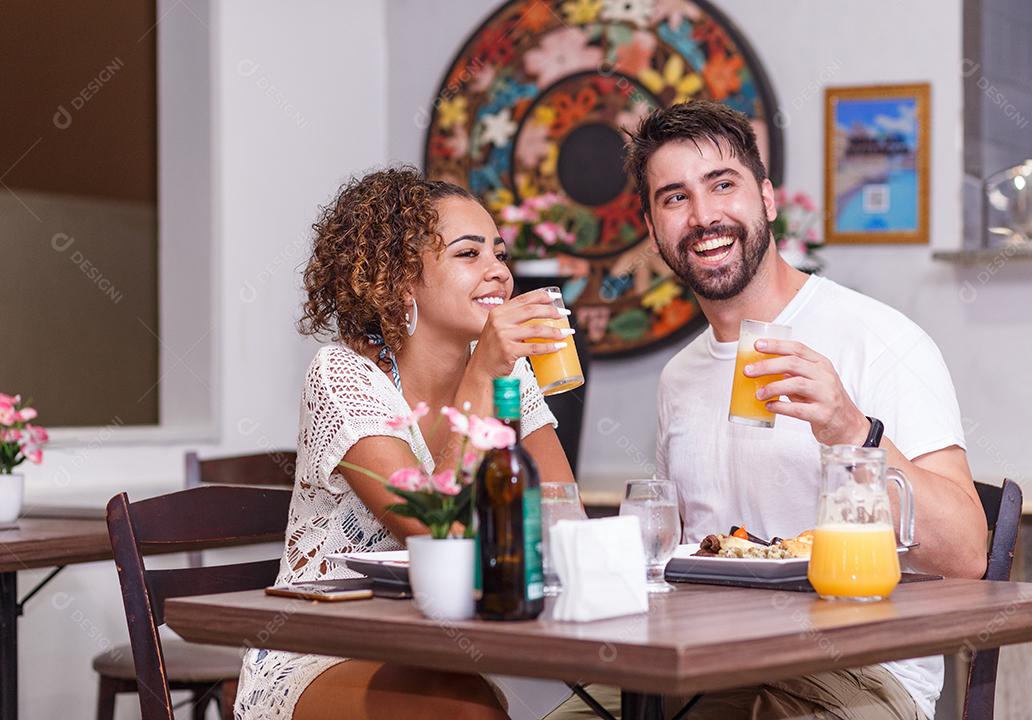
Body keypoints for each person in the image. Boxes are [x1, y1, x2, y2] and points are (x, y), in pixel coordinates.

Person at [551, 101, 987, 720]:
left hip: (855, 669)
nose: (704, 217)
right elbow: (681, 552)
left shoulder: (878, 339)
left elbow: (968, 554)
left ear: (766, 199)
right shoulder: (680, 377)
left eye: (721, 185)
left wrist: (851, 430)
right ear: (651, 229)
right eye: (675, 198)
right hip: (704, 660)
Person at [235, 167, 576, 719]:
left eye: (500, 254)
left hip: (469, 636)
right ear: (398, 282)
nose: (499, 274)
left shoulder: (511, 374)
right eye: (469, 255)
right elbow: (433, 526)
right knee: (468, 713)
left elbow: (563, 515)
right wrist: (484, 374)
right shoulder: (342, 377)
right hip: (334, 645)